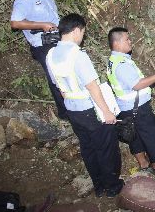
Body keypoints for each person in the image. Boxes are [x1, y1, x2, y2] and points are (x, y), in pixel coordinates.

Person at [45, 14, 123, 197]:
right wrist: (106, 112)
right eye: (83, 32)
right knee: (106, 147)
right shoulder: (77, 55)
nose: (83, 36)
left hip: (72, 110)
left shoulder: (50, 55)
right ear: (76, 31)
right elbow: (92, 86)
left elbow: (58, 87)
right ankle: (112, 187)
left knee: (88, 148)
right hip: (91, 110)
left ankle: (99, 186)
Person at [106, 27, 155, 175]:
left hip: (125, 107)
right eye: (127, 39)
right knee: (153, 135)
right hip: (138, 108)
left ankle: (143, 163)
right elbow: (137, 84)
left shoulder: (113, 60)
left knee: (134, 135)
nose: (130, 41)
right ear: (118, 42)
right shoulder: (121, 64)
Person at [10, 0, 67, 120]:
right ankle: (65, 113)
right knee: (56, 77)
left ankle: (73, 106)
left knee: (65, 72)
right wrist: (42, 25)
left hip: (55, 38)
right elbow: (15, 23)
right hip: (43, 44)